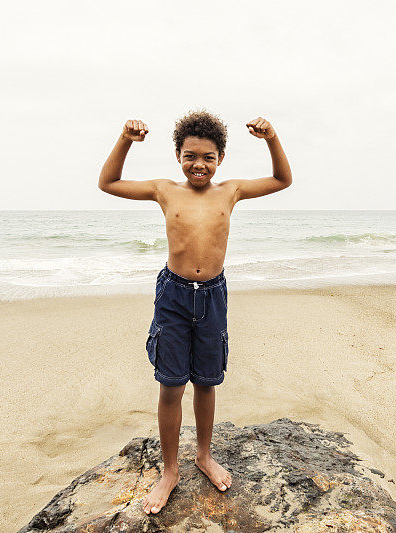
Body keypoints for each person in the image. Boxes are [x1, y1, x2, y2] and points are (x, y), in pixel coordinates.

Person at [97, 109, 292, 514]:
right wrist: (125, 139)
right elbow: (108, 183)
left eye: (207, 157)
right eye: (189, 156)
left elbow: (282, 179)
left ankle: (203, 455)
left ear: (220, 158)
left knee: (206, 381)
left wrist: (272, 137)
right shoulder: (165, 190)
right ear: (177, 156)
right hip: (173, 294)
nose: (198, 164)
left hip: (213, 296)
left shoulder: (231, 190)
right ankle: (170, 470)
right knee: (171, 384)